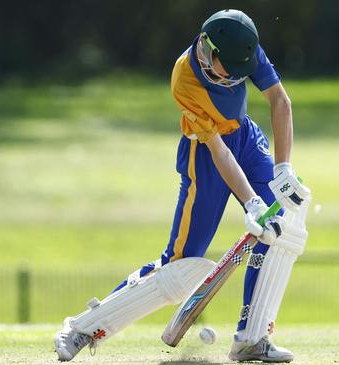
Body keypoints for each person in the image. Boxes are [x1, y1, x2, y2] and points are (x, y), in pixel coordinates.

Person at [54, 9, 311, 363]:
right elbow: (218, 151)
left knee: (281, 226)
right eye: (229, 72)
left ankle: (252, 338)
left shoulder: (242, 48)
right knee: (179, 265)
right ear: (211, 52)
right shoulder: (185, 79)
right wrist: (251, 202)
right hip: (205, 154)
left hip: (246, 139)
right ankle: (83, 328)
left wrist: (283, 168)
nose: (235, 78)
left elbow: (280, 101)